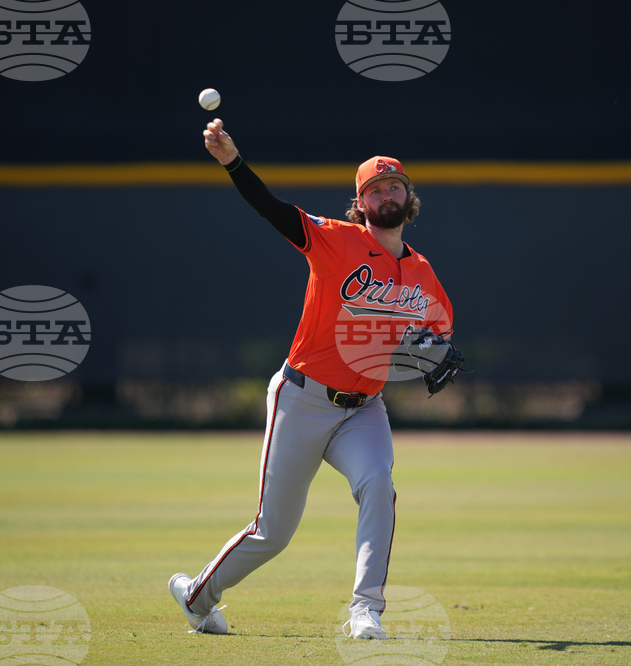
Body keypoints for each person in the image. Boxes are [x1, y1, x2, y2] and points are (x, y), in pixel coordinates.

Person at [168, 118, 464, 639]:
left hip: (364, 407)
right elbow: (272, 210)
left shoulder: (422, 272)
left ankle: (365, 610)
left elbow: (435, 336)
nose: (386, 194)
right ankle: (197, 595)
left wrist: (429, 350)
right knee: (273, 532)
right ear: (361, 203)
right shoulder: (335, 241)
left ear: (408, 197)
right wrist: (232, 162)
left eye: (394, 185)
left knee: (379, 486)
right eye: (374, 190)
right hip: (301, 398)